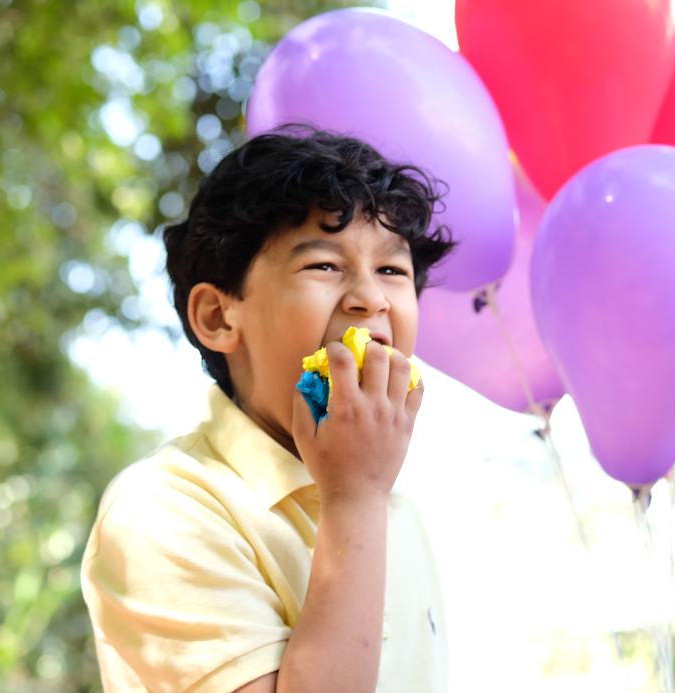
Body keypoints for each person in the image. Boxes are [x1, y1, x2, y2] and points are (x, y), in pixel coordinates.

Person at [81, 129, 456, 692]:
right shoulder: (161, 509)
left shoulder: (394, 505)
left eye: (393, 271)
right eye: (324, 266)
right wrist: (353, 499)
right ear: (217, 316)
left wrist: (364, 496)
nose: (371, 299)